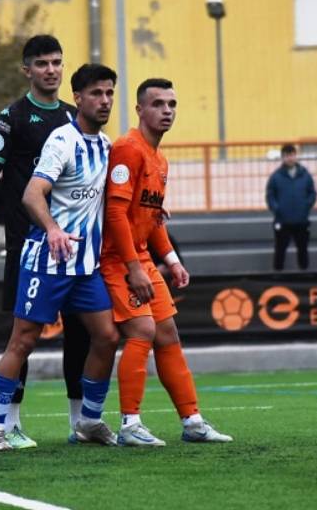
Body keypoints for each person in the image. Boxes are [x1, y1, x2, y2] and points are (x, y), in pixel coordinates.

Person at [0, 63, 121, 452]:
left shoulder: (106, 146)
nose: (105, 100)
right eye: (96, 93)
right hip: (47, 262)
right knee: (23, 342)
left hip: (85, 266)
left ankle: (88, 422)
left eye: (110, 93)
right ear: (78, 98)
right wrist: (54, 229)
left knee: (107, 337)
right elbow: (31, 194)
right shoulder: (62, 140)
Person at [0, 35, 91, 448]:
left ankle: (80, 423)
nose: (51, 70)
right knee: (24, 335)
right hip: (27, 242)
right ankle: (8, 424)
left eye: (56, 62)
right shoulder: (12, 117)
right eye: (41, 64)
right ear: (27, 71)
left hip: (70, 243)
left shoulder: (75, 117)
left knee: (82, 333)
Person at [101, 78, 232, 446]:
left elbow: (152, 216)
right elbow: (115, 215)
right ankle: (129, 425)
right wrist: (133, 268)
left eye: (172, 104)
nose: (167, 111)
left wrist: (171, 260)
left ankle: (192, 421)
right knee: (142, 331)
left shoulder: (159, 158)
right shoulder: (128, 149)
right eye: (158, 104)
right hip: (116, 259)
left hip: (140, 256)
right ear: (140, 110)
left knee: (168, 333)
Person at [266, 144, 317, 271]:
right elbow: (270, 195)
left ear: (296, 156)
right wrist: (277, 209)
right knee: (280, 250)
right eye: (287, 156)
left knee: (303, 249)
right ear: (283, 157)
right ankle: (278, 278)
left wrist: (306, 206)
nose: (290, 158)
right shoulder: (276, 177)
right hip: (282, 221)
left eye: (292, 155)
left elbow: (312, 193)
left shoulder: (305, 175)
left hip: (301, 220)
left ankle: (304, 275)